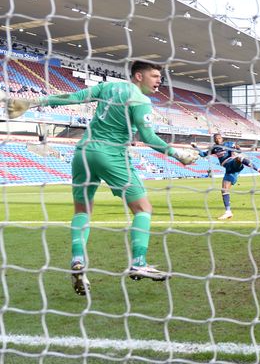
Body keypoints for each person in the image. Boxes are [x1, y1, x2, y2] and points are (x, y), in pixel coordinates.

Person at [2, 61, 199, 296]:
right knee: (143, 208)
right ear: (138, 76)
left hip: (83, 153)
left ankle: (77, 259)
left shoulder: (107, 88)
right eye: (155, 76)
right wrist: (178, 154)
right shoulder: (140, 100)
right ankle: (138, 262)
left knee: (82, 211)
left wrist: (35, 101)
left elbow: (74, 98)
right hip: (111, 155)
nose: (159, 81)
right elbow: (147, 136)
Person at [192, 134, 260, 220]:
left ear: (222, 138)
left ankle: (259, 169)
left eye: (219, 138)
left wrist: (237, 149)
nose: (217, 139)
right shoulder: (214, 148)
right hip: (229, 170)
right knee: (224, 189)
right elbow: (203, 154)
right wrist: (195, 147)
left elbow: (238, 149)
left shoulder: (228, 144)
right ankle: (228, 212)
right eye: (216, 138)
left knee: (238, 158)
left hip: (232, 163)